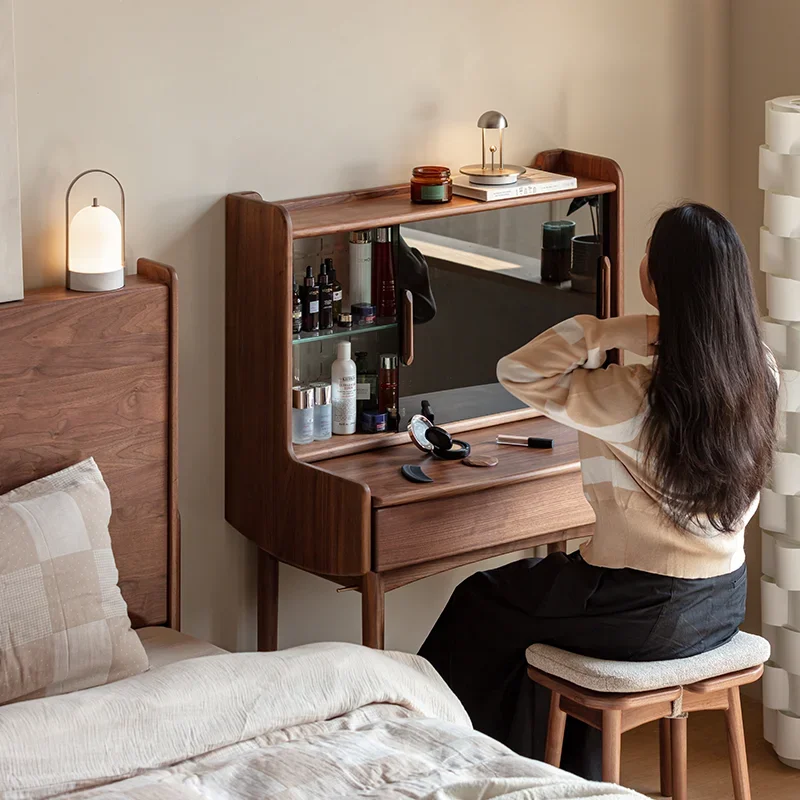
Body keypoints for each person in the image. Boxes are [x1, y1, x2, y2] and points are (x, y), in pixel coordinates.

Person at [418, 202, 779, 780]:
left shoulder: (631, 397)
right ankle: (560, 775)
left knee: (479, 603)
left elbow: (519, 372)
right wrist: (673, 329)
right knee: (528, 619)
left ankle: (439, 764)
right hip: (721, 603)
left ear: (657, 281)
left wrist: (617, 328)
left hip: (639, 610)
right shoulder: (760, 372)